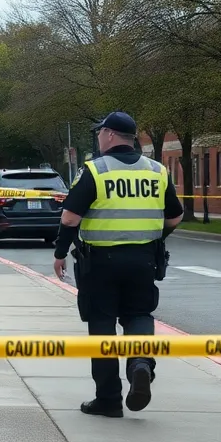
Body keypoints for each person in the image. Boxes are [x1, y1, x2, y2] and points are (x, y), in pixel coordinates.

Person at [51, 111, 183, 418]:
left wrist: (60, 252)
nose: (98, 137)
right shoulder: (157, 171)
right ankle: (140, 364)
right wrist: (152, 237)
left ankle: (109, 399)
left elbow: (70, 217)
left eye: (100, 133)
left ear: (110, 135)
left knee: (102, 327)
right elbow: (174, 217)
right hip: (143, 260)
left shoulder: (95, 171)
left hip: (100, 263)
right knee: (138, 314)